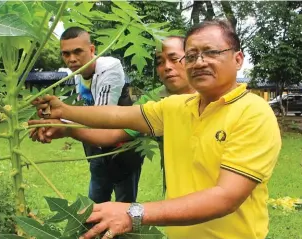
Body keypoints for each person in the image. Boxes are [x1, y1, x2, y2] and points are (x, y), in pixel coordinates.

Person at [33, 20, 281, 239]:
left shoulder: (253, 112)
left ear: (238, 59)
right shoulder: (176, 106)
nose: (199, 62)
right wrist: (62, 112)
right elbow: (118, 115)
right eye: (191, 56)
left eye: (211, 52)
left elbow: (226, 197)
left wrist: (133, 212)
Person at [29, 36, 195, 194]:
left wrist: (64, 112)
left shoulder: (213, 96)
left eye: (174, 59)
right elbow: (113, 126)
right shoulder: (153, 100)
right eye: (159, 62)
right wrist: (67, 128)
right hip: (177, 194)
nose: (166, 67)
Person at [32, 26, 145, 204]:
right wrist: (48, 119)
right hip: (97, 149)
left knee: (125, 206)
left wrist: (61, 121)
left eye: (78, 52)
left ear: (92, 50)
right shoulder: (78, 75)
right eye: (66, 54)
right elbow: (79, 108)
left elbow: (101, 117)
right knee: (95, 204)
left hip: (125, 148)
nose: (72, 59)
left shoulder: (110, 68)